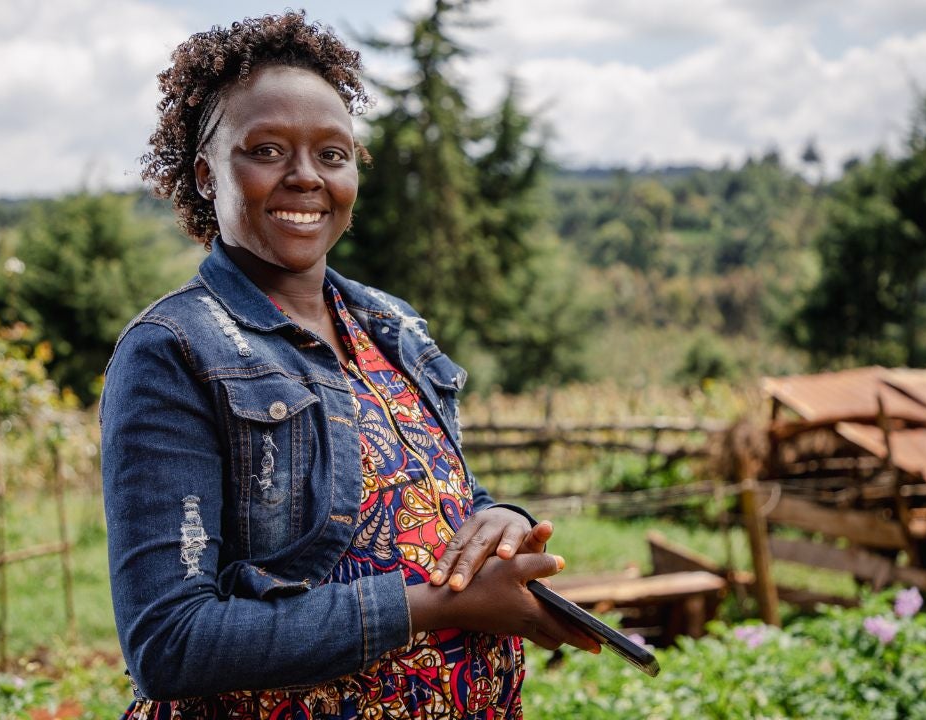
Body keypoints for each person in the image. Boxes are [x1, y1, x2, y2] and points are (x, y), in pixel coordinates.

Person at [100, 12, 597, 719]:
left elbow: (437, 497)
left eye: (333, 154)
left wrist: (500, 519)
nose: (306, 177)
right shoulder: (175, 350)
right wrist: (426, 607)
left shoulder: (389, 325)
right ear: (207, 175)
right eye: (267, 150)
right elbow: (171, 643)